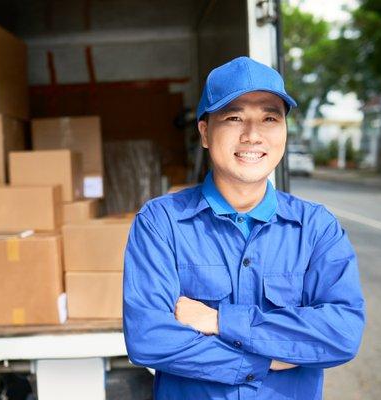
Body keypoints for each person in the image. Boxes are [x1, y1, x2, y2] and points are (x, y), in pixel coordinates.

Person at [122, 56, 366, 400]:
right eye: (234, 117)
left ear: (283, 130)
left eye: (269, 117)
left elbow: (341, 334)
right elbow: (149, 339)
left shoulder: (316, 228)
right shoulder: (161, 224)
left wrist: (221, 322)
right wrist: (266, 358)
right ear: (205, 132)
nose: (252, 135)